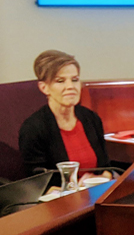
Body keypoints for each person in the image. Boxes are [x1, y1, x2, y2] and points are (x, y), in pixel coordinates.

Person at [18, 50, 112, 183]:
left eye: (75, 80)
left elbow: (107, 168)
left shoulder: (91, 118)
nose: (70, 87)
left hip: (95, 194)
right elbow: (38, 183)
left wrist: (101, 179)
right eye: (60, 81)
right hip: (60, 200)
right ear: (44, 87)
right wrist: (76, 188)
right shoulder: (33, 128)